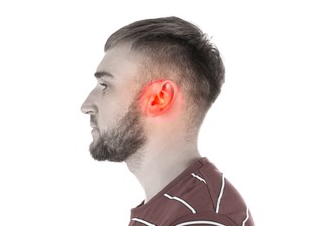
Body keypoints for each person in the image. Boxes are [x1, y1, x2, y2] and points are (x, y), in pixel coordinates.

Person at [81, 16, 255, 226]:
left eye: (105, 85)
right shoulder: (178, 206)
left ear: (160, 98)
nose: (86, 105)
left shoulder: (202, 218)